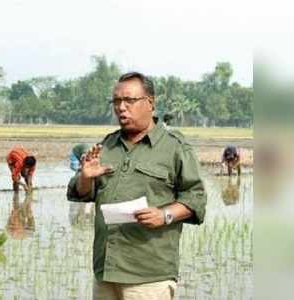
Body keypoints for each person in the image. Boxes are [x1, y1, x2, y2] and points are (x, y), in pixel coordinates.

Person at [67, 72, 207, 300]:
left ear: (150, 103)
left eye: (129, 101)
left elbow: (196, 198)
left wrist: (165, 215)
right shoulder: (107, 145)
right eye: (116, 101)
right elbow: (82, 193)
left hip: (149, 275)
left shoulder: (174, 147)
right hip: (106, 270)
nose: (121, 107)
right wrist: (86, 177)